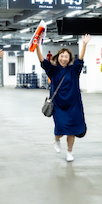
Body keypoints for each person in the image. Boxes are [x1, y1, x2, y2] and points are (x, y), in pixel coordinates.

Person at [38, 34, 90, 163]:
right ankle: (56, 140)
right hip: (58, 105)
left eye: (66, 56)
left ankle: (69, 152)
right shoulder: (52, 70)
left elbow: (81, 59)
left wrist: (84, 44)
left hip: (73, 104)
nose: (63, 58)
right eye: (62, 56)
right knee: (60, 128)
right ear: (58, 57)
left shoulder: (74, 70)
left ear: (69, 58)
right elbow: (42, 61)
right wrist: (37, 47)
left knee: (71, 130)